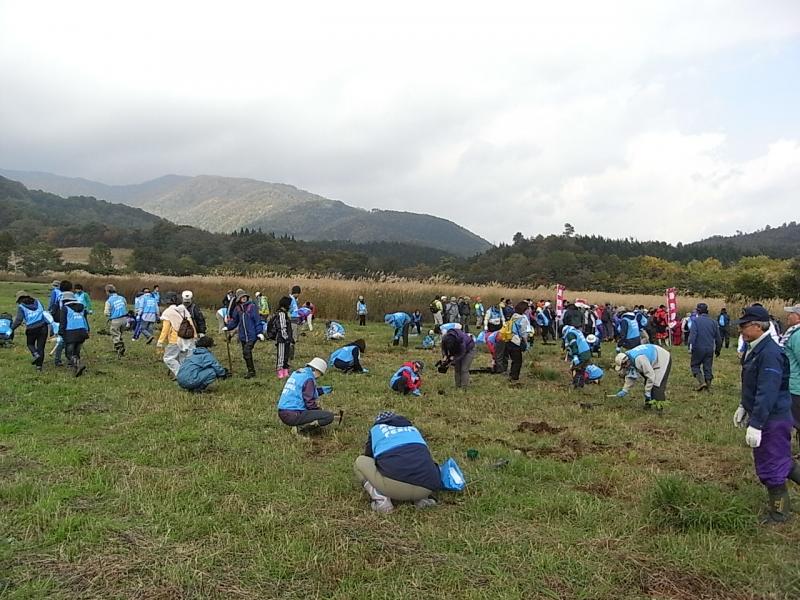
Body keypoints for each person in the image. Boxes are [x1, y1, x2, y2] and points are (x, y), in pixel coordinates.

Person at [732, 305, 800, 524]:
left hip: (773, 418)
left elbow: (768, 390)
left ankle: (779, 514)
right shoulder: (756, 348)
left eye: (744, 326)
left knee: (771, 465)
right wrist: (744, 405)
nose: (740, 330)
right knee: (782, 460)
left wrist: (757, 423)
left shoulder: (770, 353)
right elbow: (752, 384)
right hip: (767, 415)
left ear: (757, 326)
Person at [354, 411, 441, 513]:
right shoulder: (413, 430)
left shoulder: (376, 430)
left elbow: (369, 456)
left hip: (394, 488)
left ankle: (382, 501)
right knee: (421, 460)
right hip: (427, 488)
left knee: (360, 462)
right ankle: (422, 500)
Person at [277, 357, 335, 434]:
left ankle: (299, 425)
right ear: (317, 370)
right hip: (294, 414)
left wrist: (321, 390)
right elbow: (309, 402)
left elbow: (303, 391)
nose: (319, 377)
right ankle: (301, 429)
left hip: (283, 412)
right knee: (328, 416)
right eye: (320, 374)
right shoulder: (309, 379)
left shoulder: (297, 373)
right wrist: (319, 412)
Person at [614, 344, 672, 410]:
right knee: (648, 383)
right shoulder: (629, 358)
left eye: (623, 366)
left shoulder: (639, 359)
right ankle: (648, 404)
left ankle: (659, 408)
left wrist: (647, 391)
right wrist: (625, 389)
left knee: (657, 384)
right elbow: (631, 375)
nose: (624, 368)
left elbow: (650, 376)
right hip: (651, 359)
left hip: (662, 358)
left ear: (626, 362)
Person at [157, 291, 197, 378]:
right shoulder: (183, 310)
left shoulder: (167, 312)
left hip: (175, 339)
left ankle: (181, 375)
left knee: (168, 358)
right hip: (188, 338)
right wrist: (195, 336)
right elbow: (191, 324)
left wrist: (160, 341)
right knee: (183, 359)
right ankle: (189, 375)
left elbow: (165, 329)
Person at [224, 290, 262, 379]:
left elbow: (257, 320)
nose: (244, 298)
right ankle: (250, 370)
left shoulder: (252, 307)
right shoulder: (237, 309)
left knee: (247, 351)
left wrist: (259, 332)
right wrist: (228, 327)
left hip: (252, 335)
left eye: (245, 296)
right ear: (238, 299)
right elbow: (235, 321)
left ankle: (251, 372)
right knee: (245, 354)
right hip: (243, 336)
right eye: (241, 297)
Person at [11, 291, 50, 371]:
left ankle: (35, 355)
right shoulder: (38, 302)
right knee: (41, 348)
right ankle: (39, 367)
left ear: (20, 300)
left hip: (32, 329)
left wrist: (11, 328)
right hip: (43, 327)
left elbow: (18, 320)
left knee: (30, 344)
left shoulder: (22, 307)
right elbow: (44, 312)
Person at [688, 302, 722, 392]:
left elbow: (692, 336)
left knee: (695, 365)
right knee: (708, 367)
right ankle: (708, 386)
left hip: (698, 348)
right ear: (707, 311)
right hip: (710, 348)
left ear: (698, 311)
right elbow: (718, 338)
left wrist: (690, 346)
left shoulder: (696, 321)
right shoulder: (714, 322)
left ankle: (701, 382)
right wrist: (718, 350)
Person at [780, 304, 800, 448]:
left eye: (791, 313)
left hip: (796, 387)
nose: (788, 316)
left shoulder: (798, 335)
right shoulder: (793, 333)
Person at [58, 291, 90, 377]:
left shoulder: (65, 308)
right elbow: (85, 319)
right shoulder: (82, 307)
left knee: (69, 354)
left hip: (71, 332)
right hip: (82, 331)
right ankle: (76, 368)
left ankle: (78, 365)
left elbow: (63, 322)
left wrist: (60, 332)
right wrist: (87, 330)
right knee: (77, 351)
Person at [502, 301, 530, 382]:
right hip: (516, 340)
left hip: (508, 339)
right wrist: (526, 342)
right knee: (518, 361)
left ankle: (511, 374)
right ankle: (514, 377)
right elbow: (524, 333)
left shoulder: (513, 316)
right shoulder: (522, 319)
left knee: (513, 359)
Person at [103, 284, 128, 357]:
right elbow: (125, 305)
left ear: (108, 292)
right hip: (124, 319)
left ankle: (119, 348)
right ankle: (121, 346)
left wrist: (109, 315)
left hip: (116, 320)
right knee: (120, 333)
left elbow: (106, 312)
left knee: (115, 334)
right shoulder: (122, 298)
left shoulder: (109, 301)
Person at [273, 296, 295, 379]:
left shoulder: (285, 314)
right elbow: (282, 327)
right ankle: (280, 370)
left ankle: (285, 369)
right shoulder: (281, 314)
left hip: (287, 339)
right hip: (281, 339)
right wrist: (286, 337)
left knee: (286, 355)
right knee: (281, 355)